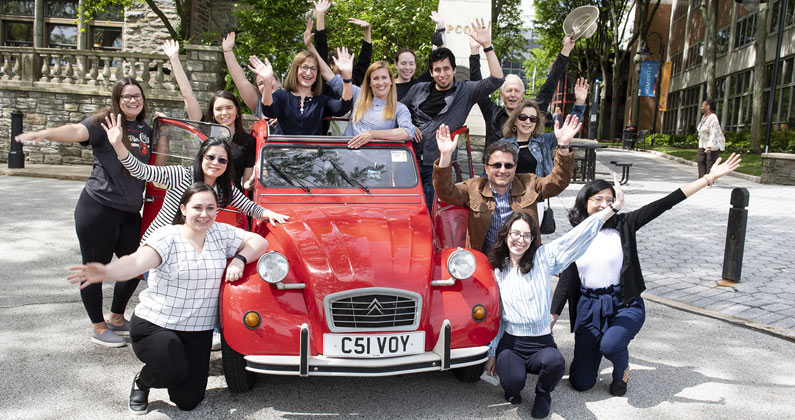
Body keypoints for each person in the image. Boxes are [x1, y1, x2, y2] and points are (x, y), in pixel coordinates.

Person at [550, 153, 741, 397]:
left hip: (623, 302)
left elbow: (667, 201)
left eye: (609, 199)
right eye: (598, 199)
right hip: (589, 307)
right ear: (584, 201)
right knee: (581, 383)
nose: (603, 204)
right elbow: (566, 281)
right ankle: (599, 353)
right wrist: (553, 315)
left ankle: (622, 369)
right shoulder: (577, 235)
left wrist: (708, 178)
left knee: (612, 344)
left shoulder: (625, 224)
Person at [68, 183, 269, 414]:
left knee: (188, 401)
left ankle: (174, 371)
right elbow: (136, 262)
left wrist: (239, 259)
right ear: (183, 209)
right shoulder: (167, 235)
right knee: (172, 368)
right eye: (197, 208)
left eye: (210, 208)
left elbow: (259, 242)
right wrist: (107, 271)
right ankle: (142, 382)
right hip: (156, 324)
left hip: (198, 331)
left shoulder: (221, 233)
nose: (204, 214)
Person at [15, 78, 165, 347]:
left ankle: (117, 318)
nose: (133, 100)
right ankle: (98, 326)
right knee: (94, 268)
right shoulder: (104, 123)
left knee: (137, 266)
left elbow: (157, 167)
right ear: (117, 100)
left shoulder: (145, 128)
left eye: (137, 96)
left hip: (130, 212)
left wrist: (162, 131)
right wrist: (45, 134)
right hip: (98, 209)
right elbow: (75, 131)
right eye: (127, 96)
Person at [484, 178, 623, 418]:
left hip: (541, 341)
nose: (520, 240)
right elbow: (496, 317)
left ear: (532, 240)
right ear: (506, 235)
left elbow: (575, 237)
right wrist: (492, 352)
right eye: (515, 233)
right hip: (512, 342)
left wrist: (611, 209)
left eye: (526, 236)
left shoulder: (542, 258)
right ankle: (515, 381)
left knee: (556, 363)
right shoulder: (497, 270)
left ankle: (543, 394)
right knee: (512, 383)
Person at [102, 113, 288, 244]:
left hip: (188, 249)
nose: (216, 163)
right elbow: (141, 171)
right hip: (158, 245)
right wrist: (118, 144)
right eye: (210, 157)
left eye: (222, 160)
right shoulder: (180, 175)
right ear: (201, 157)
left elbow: (249, 207)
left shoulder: (224, 188)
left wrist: (269, 214)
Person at [432, 117, 579, 253]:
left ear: (515, 168)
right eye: (496, 165)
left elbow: (558, 181)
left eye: (508, 166)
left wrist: (563, 146)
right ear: (486, 168)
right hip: (485, 262)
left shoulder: (530, 183)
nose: (502, 170)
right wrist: (445, 156)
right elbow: (445, 192)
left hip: (523, 263)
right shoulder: (473, 187)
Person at [401, 18, 504, 210]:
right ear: (431, 72)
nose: (442, 74)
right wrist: (409, 124)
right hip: (409, 162)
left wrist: (487, 46)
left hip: (438, 167)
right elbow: (399, 110)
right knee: (408, 213)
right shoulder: (419, 89)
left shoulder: (465, 91)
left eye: (446, 69)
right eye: (437, 70)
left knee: (434, 215)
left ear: (454, 70)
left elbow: (497, 80)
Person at [163, 39, 256, 191]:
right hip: (201, 197)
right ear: (212, 113)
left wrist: (254, 180)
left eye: (229, 108)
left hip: (230, 203)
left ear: (237, 111)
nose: (224, 113)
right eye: (218, 109)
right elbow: (188, 95)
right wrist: (174, 58)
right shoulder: (204, 131)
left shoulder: (247, 141)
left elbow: (245, 184)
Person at [470, 34, 575, 150]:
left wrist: (565, 50)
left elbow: (550, 84)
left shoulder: (532, 112)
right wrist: (474, 51)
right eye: (509, 90)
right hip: (496, 166)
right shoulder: (492, 113)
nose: (513, 95)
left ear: (522, 96)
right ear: (501, 94)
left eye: (517, 91)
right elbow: (478, 88)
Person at [306, 43, 415, 148]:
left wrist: (372, 135)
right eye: (376, 78)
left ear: (391, 81)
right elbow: (328, 75)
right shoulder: (358, 94)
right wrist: (310, 46)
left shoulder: (399, 108)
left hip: (377, 163)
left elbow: (407, 132)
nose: (380, 82)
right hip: (348, 157)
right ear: (370, 83)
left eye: (384, 78)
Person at [248, 48, 353, 135]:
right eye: (304, 67)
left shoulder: (321, 101)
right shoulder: (281, 97)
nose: (308, 72)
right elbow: (269, 110)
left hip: (313, 157)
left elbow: (343, 107)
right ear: (295, 70)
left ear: (317, 75)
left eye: (313, 69)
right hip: (283, 157)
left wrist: (347, 78)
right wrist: (267, 82)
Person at [395, 11, 447, 100]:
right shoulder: (386, 86)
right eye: (403, 63)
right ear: (396, 64)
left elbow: (440, 60)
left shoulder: (419, 85)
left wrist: (440, 28)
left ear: (415, 65)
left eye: (411, 63)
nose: (407, 67)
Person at [697, 98, 725, 178]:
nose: (701, 108)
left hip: (713, 145)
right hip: (702, 144)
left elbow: (713, 133)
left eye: (702, 106)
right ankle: (701, 180)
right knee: (700, 160)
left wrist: (709, 146)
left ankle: (708, 181)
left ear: (708, 107)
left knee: (709, 163)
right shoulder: (704, 117)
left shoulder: (713, 118)